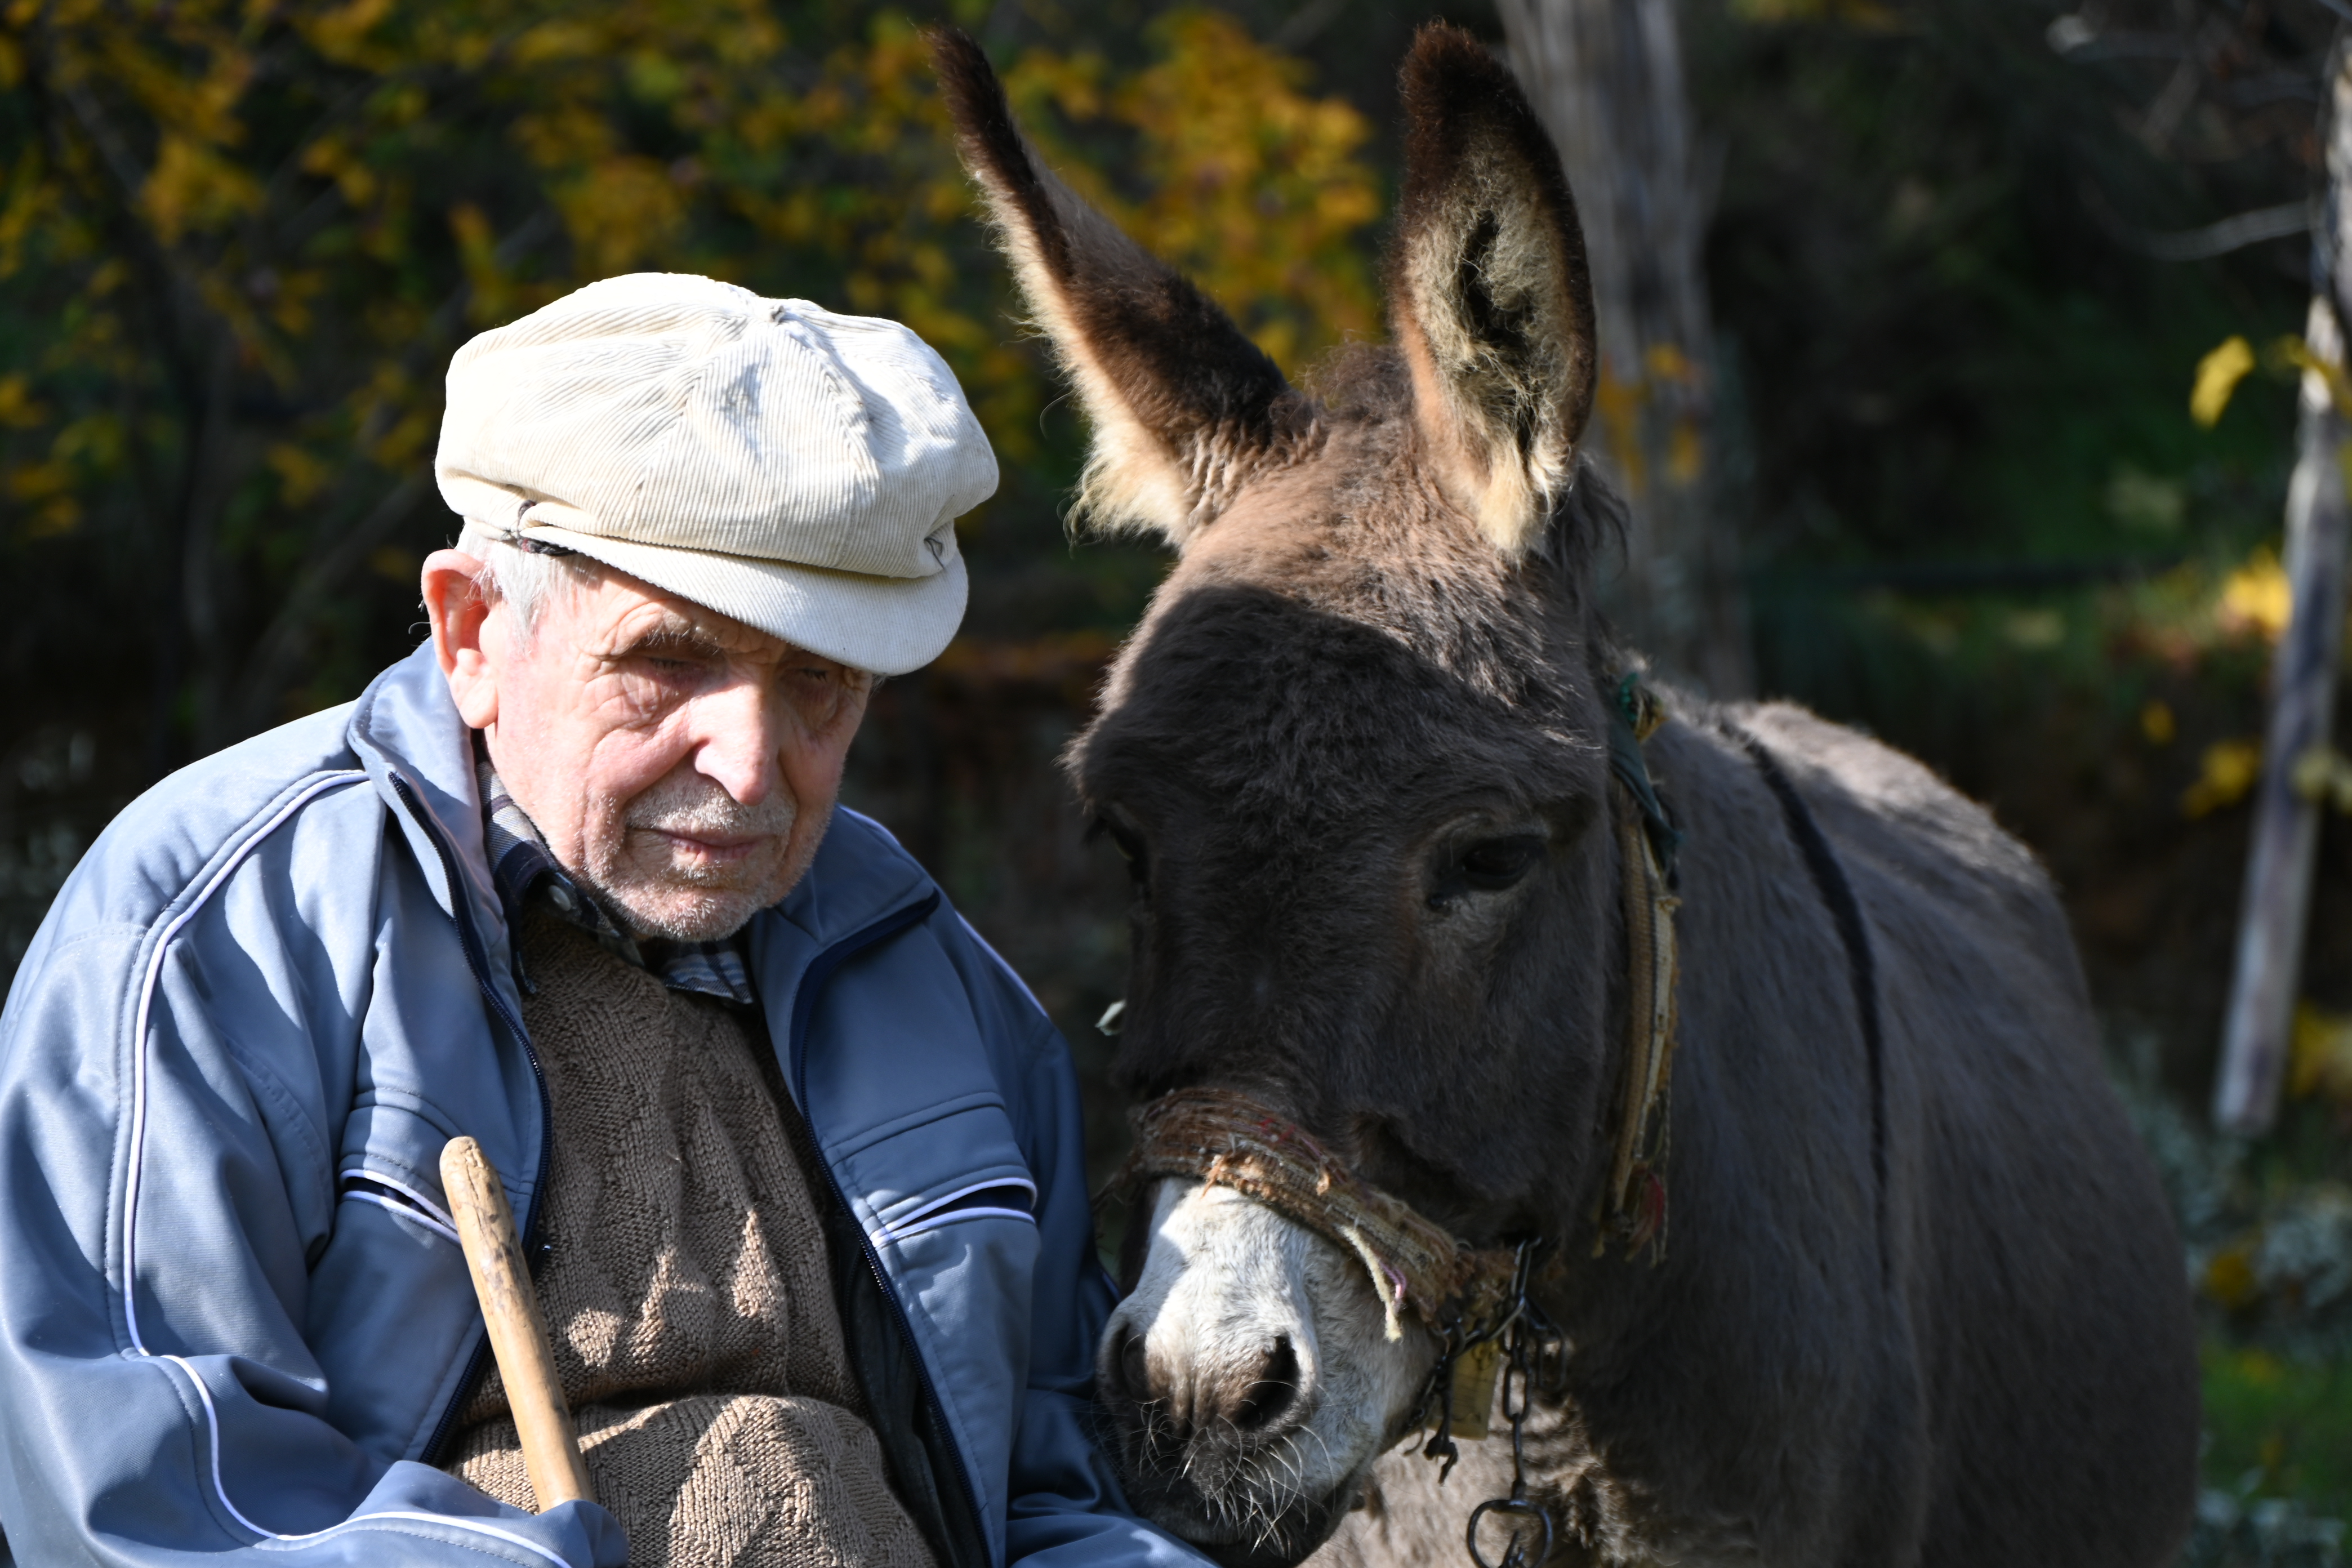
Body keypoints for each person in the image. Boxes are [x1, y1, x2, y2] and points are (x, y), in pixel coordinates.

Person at [0, 274, 1204, 1568]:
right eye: (668, 659)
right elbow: (143, 1517)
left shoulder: (929, 978)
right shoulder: (215, 935)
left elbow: (1053, 1498)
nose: (753, 764)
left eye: (818, 682)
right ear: (471, 631)